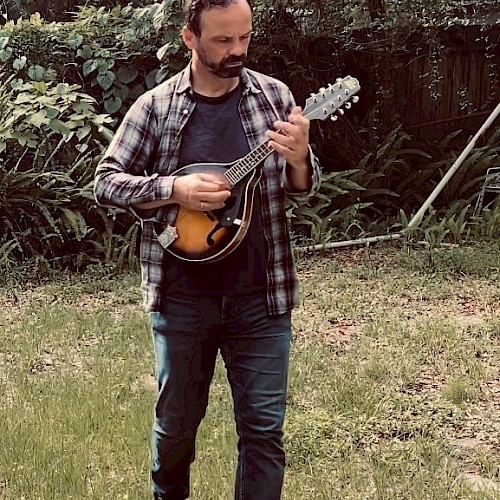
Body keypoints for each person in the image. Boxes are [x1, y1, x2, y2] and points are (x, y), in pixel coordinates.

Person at [94, 0, 321, 498]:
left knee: (263, 433)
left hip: (261, 297)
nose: (237, 50)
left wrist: (301, 156)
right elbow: (106, 183)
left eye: (244, 37)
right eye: (222, 40)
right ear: (189, 38)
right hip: (182, 299)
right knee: (176, 431)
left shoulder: (274, 97)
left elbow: (300, 185)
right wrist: (174, 191)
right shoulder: (156, 107)